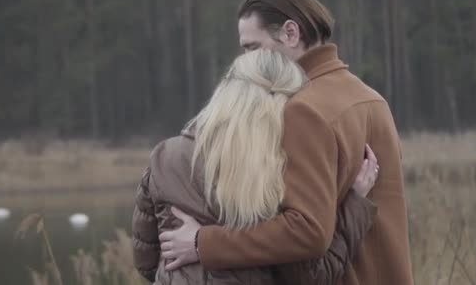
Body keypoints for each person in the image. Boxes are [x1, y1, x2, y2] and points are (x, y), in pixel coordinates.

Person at [159, 0, 414, 285]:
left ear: (291, 33)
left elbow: (306, 230)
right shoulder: (372, 99)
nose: (246, 61)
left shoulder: (302, 109)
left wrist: (203, 243)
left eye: (252, 47)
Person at [132, 49, 379, 284]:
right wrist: (354, 204)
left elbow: (145, 260)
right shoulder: (272, 177)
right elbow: (313, 278)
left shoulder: (164, 157)